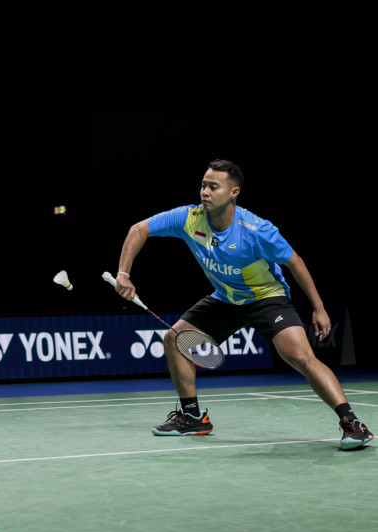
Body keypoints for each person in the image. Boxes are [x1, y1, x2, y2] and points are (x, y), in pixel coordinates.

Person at [113, 159, 373, 450]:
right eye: (203, 185)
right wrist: (123, 274)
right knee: (174, 339)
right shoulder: (189, 218)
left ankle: (353, 424)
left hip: (266, 299)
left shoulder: (256, 230)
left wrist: (319, 307)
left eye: (214, 186)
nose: (205, 192)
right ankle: (193, 417)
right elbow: (138, 230)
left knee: (299, 356)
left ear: (233, 192)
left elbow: (295, 262)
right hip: (225, 299)